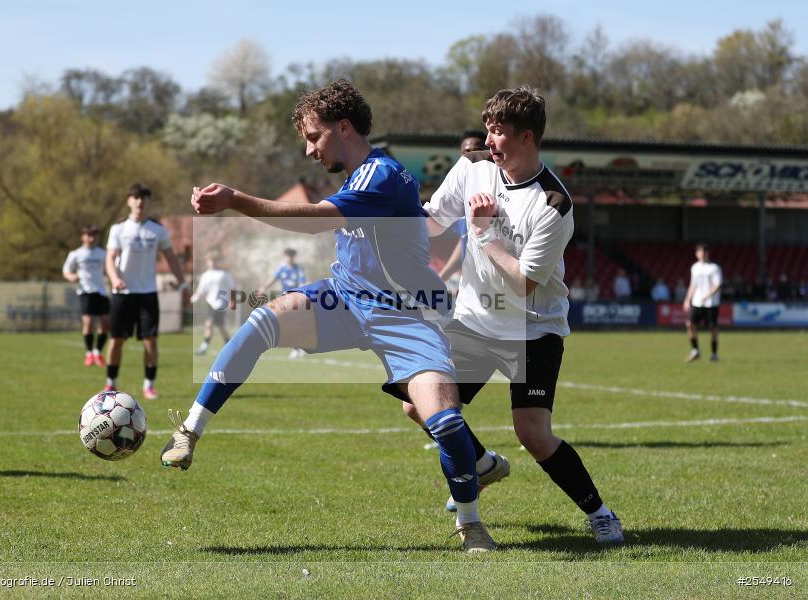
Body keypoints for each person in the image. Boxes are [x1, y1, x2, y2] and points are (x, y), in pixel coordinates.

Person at [162, 79, 496, 552]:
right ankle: (189, 431)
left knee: (443, 421)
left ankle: (471, 523)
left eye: (313, 137)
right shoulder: (358, 176)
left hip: (407, 314)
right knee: (260, 322)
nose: (308, 150)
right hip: (343, 298)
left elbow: (315, 220)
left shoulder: (381, 175)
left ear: (344, 128)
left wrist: (235, 200)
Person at [391, 86, 623, 544]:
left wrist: (484, 232)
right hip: (476, 319)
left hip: (531, 328)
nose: (490, 140)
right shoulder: (475, 165)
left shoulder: (553, 205)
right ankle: (480, 463)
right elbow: (434, 220)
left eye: (499, 133)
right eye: (488, 130)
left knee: (533, 433)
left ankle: (601, 514)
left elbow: (524, 282)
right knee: (417, 402)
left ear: (528, 137)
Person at [105, 183, 187, 400]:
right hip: (122, 294)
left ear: (149, 202)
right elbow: (110, 259)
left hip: (148, 294)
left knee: (150, 340)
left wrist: (183, 284)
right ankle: (110, 383)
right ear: (129, 201)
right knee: (116, 340)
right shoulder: (118, 229)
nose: (140, 201)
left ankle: (149, 385)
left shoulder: (158, 230)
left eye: (144, 198)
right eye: (135, 197)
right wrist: (115, 279)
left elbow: (171, 258)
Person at [438, 131, 488, 283]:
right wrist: (442, 278)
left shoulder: (494, 192)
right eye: (466, 152)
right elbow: (465, 242)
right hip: (473, 284)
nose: (471, 156)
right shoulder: (462, 196)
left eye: (477, 150)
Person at [62, 225, 110, 366]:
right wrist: (71, 277)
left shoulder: (102, 254)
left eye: (94, 235)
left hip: (101, 291)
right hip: (85, 292)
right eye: (88, 235)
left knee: (106, 323)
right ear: (82, 237)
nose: (91, 238)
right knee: (88, 323)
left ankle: (98, 353)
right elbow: (66, 271)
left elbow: (110, 269)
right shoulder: (76, 254)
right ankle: (89, 353)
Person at [257, 248, 308, 358]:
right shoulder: (282, 268)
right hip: (284, 299)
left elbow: (303, 283)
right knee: (284, 322)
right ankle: (299, 346)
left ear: (293, 257)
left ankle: (298, 347)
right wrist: (263, 288)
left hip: (295, 299)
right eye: (287, 256)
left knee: (293, 323)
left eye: (290, 256)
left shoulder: (298, 269)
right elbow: (273, 279)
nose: (288, 258)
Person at [683, 242, 722, 363]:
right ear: (696, 254)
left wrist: (707, 295)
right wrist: (687, 299)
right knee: (689, 324)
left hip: (711, 303)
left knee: (713, 328)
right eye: (700, 252)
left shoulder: (714, 268)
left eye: (704, 252)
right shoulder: (694, 267)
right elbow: (693, 285)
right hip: (697, 302)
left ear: (708, 253)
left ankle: (714, 353)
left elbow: (717, 285)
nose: (703, 254)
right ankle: (695, 350)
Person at [191, 255, 236, 356]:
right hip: (210, 303)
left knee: (209, 323)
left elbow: (232, 287)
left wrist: (232, 301)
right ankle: (231, 346)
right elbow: (201, 290)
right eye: (210, 260)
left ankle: (203, 347)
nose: (212, 263)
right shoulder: (205, 275)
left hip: (221, 303)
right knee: (221, 326)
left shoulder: (224, 274)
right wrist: (194, 298)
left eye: (214, 261)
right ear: (207, 262)